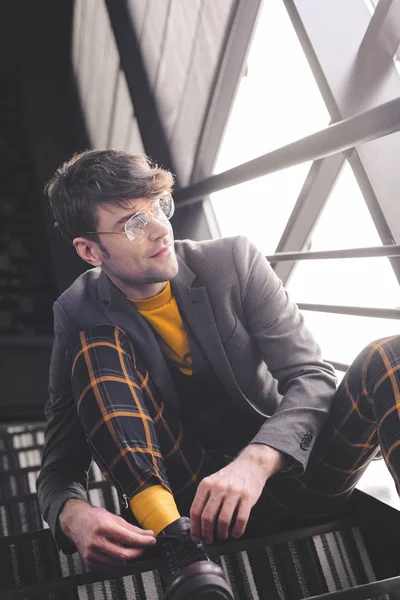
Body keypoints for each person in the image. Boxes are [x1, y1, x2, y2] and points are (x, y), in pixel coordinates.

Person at [37, 150, 400, 600]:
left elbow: (311, 376)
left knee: (392, 357)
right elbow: (58, 465)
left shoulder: (233, 261)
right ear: (91, 251)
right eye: (134, 223)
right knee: (96, 345)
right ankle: (178, 550)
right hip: (192, 511)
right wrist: (72, 514)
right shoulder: (76, 311)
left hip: (290, 476)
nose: (159, 229)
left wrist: (255, 462)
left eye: (159, 207)